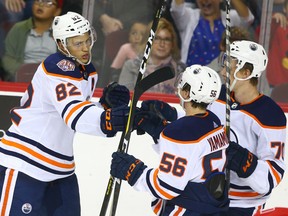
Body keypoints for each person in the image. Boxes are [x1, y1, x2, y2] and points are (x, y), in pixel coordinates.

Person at [0, 12, 131, 215]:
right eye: (77, 43)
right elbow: (74, 115)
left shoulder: (87, 70)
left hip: (60, 167)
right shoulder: (57, 67)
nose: (85, 47)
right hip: (25, 163)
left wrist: (105, 107)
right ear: (61, 44)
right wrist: (109, 120)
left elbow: (75, 109)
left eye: (87, 40)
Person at [141, 40, 287, 215]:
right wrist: (171, 115)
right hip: (206, 196)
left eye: (229, 67)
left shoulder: (270, 115)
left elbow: (271, 178)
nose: (223, 72)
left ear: (246, 73)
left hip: (243, 205)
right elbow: (198, 128)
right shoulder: (218, 96)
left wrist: (245, 163)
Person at [110, 64, 230, 215]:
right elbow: (191, 154)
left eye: (182, 86)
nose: (177, 89)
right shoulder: (214, 122)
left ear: (187, 93)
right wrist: (159, 129)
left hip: (187, 209)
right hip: (212, 207)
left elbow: (167, 187)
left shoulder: (179, 132)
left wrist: (133, 171)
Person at [170, 0, 254, 67]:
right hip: (192, 79)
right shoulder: (189, 16)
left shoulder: (231, 17)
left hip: (222, 80)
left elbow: (248, 18)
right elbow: (176, 9)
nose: (205, 0)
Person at [118, 18, 183, 94]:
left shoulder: (181, 70)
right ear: (147, 41)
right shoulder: (131, 66)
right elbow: (124, 98)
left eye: (167, 39)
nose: (162, 44)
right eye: (157, 38)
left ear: (172, 44)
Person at [2, 0, 63, 81]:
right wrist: (24, 70)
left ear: (57, 11)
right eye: (38, 1)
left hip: (51, 79)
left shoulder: (62, 33)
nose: (41, 5)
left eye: (48, 3)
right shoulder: (18, 29)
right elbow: (7, 58)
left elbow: (68, 61)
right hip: (21, 78)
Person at [266, 0, 288, 88]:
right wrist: (273, 17)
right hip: (277, 83)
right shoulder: (277, 23)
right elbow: (263, 31)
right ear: (284, 9)